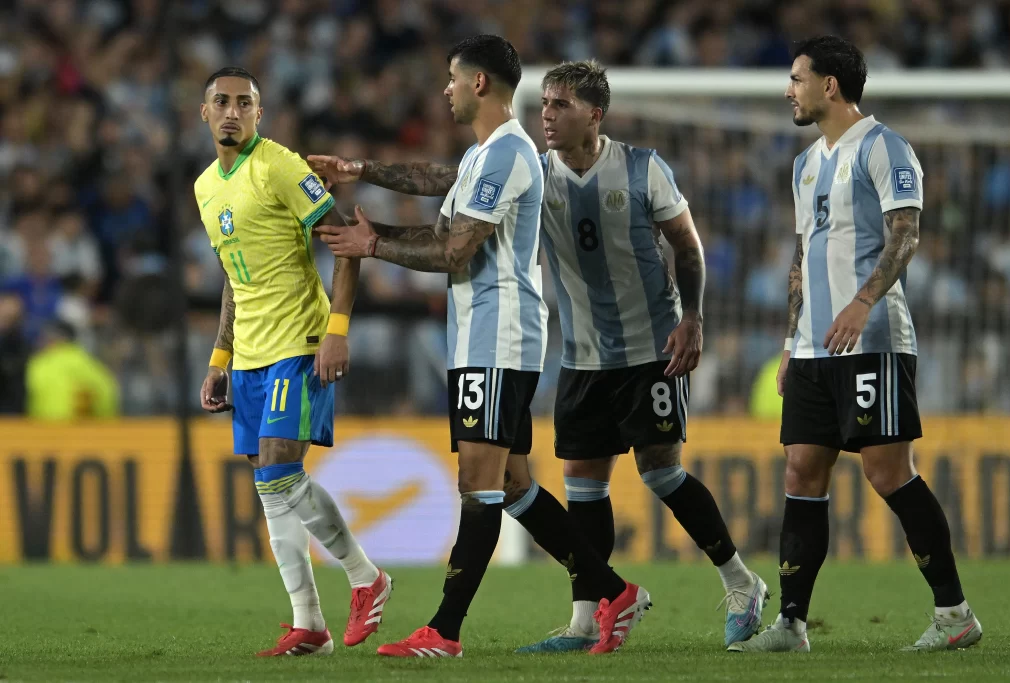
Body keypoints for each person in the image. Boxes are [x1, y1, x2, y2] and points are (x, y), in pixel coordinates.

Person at [313, 59, 769, 653]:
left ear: (594, 115)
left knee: (659, 471)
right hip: (581, 351)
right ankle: (589, 618)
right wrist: (363, 170)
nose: (547, 114)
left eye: (561, 105)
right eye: (545, 102)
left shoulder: (641, 168)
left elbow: (687, 244)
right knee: (583, 485)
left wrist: (693, 318)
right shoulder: (538, 169)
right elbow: (444, 178)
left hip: (649, 344)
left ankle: (739, 580)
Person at [729, 36, 981, 653]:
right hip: (813, 349)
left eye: (796, 78)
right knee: (801, 470)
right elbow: (802, 256)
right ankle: (791, 624)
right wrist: (790, 341)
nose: (787, 90)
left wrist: (863, 301)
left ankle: (955, 614)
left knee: (888, 471)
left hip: (873, 341)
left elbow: (905, 234)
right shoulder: (804, 164)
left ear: (830, 85)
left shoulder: (885, 146)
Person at [194, 67, 392, 658]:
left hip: (298, 342)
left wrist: (337, 330)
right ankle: (309, 624)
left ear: (260, 113)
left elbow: (346, 242)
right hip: (249, 354)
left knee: (280, 473)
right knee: (269, 487)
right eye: (222, 102)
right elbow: (233, 278)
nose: (232, 112)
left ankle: (366, 576)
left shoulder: (278, 165)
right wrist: (220, 357)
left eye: (244, 103)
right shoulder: (206, 187)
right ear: (204, 112)